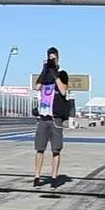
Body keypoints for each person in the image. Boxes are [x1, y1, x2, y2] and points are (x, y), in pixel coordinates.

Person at [32, 46, 72, 187]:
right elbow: (37, 87)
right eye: (50, 58)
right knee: (39, 148)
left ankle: (54, 177)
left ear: (58, 58)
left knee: (56, 149)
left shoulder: (62, 74)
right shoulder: (45, 75)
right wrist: (45, 70)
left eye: (54, 58)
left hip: (56, 118)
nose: (51, 60)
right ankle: (37, 176)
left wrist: (54, 73)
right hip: (44, 117)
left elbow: (62, 90)